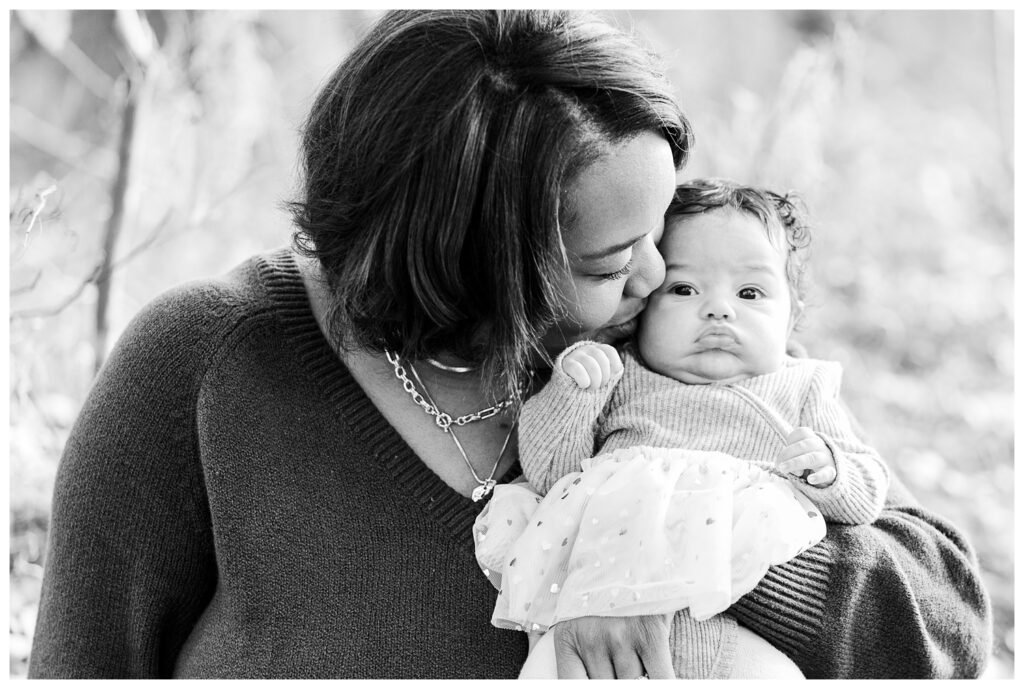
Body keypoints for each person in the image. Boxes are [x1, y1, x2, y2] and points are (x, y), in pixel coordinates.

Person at [28, 9, 990, 680]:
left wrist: (675, 550)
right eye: (615, 259)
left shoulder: (676, 341)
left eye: (663, 228)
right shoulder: (209, 361)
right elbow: (83, 665)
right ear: (469, 263)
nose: (661, 277)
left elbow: (943, 627)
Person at [474, 179, 891, 678]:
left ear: (792, 315)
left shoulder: (805, 386)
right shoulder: (619, 376)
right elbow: (552, 475)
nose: (719, 309)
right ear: (641, 310)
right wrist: (572, 394)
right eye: (684, 289)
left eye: (751, 292)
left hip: (741, 636)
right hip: (590, 628)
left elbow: (869, 491)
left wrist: (830, 473)